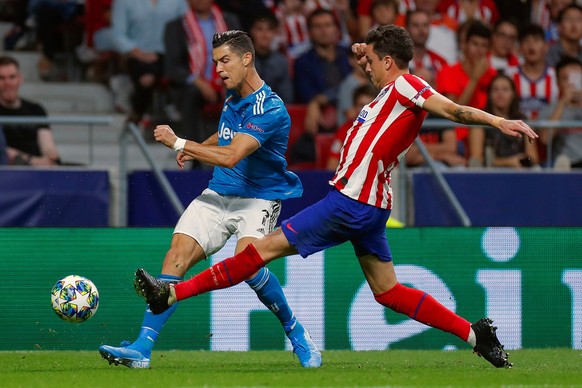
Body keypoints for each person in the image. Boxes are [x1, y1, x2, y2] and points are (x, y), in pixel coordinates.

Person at [135, 25, 538, 369]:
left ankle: (170, 292)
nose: (365, 66)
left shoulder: (408, 85)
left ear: (389, 62)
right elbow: (372, 61)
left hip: (350, 203)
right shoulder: (387, 94)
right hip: (370, 206)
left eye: (372, 61)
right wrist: (367, 47)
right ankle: (474, 334)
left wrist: (497, 120)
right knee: (389, 292)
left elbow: (454, 111)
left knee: (256, 254)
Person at [99, 30, 322, 369]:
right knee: (175, 257)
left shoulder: (271, 108)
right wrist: (200, 145)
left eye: (224, 60)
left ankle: (298, 334)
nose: (217, 69)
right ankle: (143, 348)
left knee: (248, 264)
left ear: (247, 59)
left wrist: (180, 143)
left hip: (259, 199)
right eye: (215, 61)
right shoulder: (233, 98)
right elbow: (229, 133)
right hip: (219, 193)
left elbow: (233, 154)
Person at [163, 0, 239, 144]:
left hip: (227, 81)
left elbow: (241, 56)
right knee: (192, 93)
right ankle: (193, 152)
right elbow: (173, 67)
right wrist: (199, 83)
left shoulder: (230, 21)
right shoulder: (176, 27)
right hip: (193, 85)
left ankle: (239, 150)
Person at [110, 0, 187, 123]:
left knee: (176, 70)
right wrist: (139, 53)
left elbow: (187, 26)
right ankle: (137, 115)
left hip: (170, 54)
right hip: (137, 53)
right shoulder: (122, 2)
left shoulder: (178, 2)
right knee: (147, 76)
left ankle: (171, 105)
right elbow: (118, 35)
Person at [468, 73, 539, 168]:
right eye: (495, 90)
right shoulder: (480, 119)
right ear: (489, 94)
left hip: (519, 170)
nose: (500, 94)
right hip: (488, 171)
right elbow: (476, 159)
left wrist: (523, 161)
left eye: (505, 89)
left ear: (513, 94)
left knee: (536, 168)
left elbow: (533, 157)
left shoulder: (523, 120)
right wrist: (507, 162)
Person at [0, 56, 60, 166]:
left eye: (12, 77)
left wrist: (50, 155)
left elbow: (47, 144)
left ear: (20, 79)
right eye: (2, 78)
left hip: (37, 173)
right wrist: (33, 160)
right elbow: (3, 152)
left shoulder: (36, 109)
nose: (7, 83)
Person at [539, 57, 582, 169]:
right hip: (568, 165)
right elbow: (545, 139)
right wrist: (563, 103)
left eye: (577, 78)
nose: (572, 83)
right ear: (558, 82)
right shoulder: (550, 110)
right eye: (566, 79)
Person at [249, 11, 294, 103]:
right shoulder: (242, 61)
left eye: (269, 29)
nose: (264, 35)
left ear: (275, 32)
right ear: (252, 31)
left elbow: (287, 98)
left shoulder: (281, 62)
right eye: (260, 29)